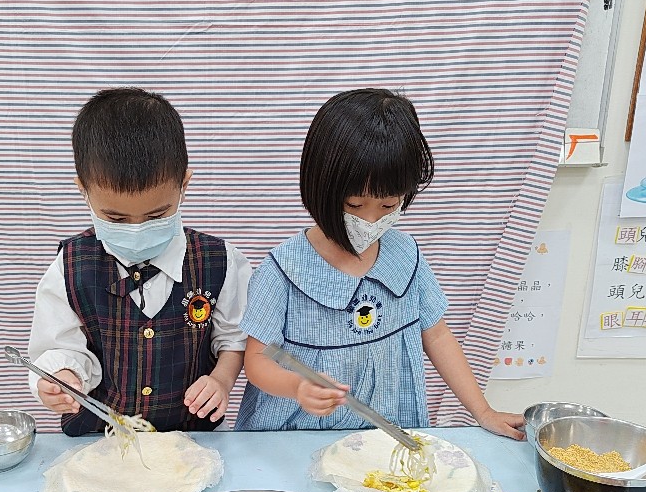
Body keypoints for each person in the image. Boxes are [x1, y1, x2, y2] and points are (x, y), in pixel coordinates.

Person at [234, 88, 524, 439]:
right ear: (319, 187)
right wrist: (297, 386)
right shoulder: (283, 270)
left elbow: (437, 334)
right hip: (296, 438)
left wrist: (483, 411)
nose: (370, 220)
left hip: (385, 436)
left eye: (388, 205)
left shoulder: (406, 255)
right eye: (355, 205)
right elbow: (258, 359)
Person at [27, 87, 251, 436]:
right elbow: (59, 346)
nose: (137, 229)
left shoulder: (221, 262)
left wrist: (221, 380)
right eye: (116, 218)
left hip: (193, 436)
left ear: (184, 184)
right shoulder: (69, 267)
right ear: (83, 190)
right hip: (100, 438)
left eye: (157, 215)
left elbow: (234, 339)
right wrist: (63, 377)